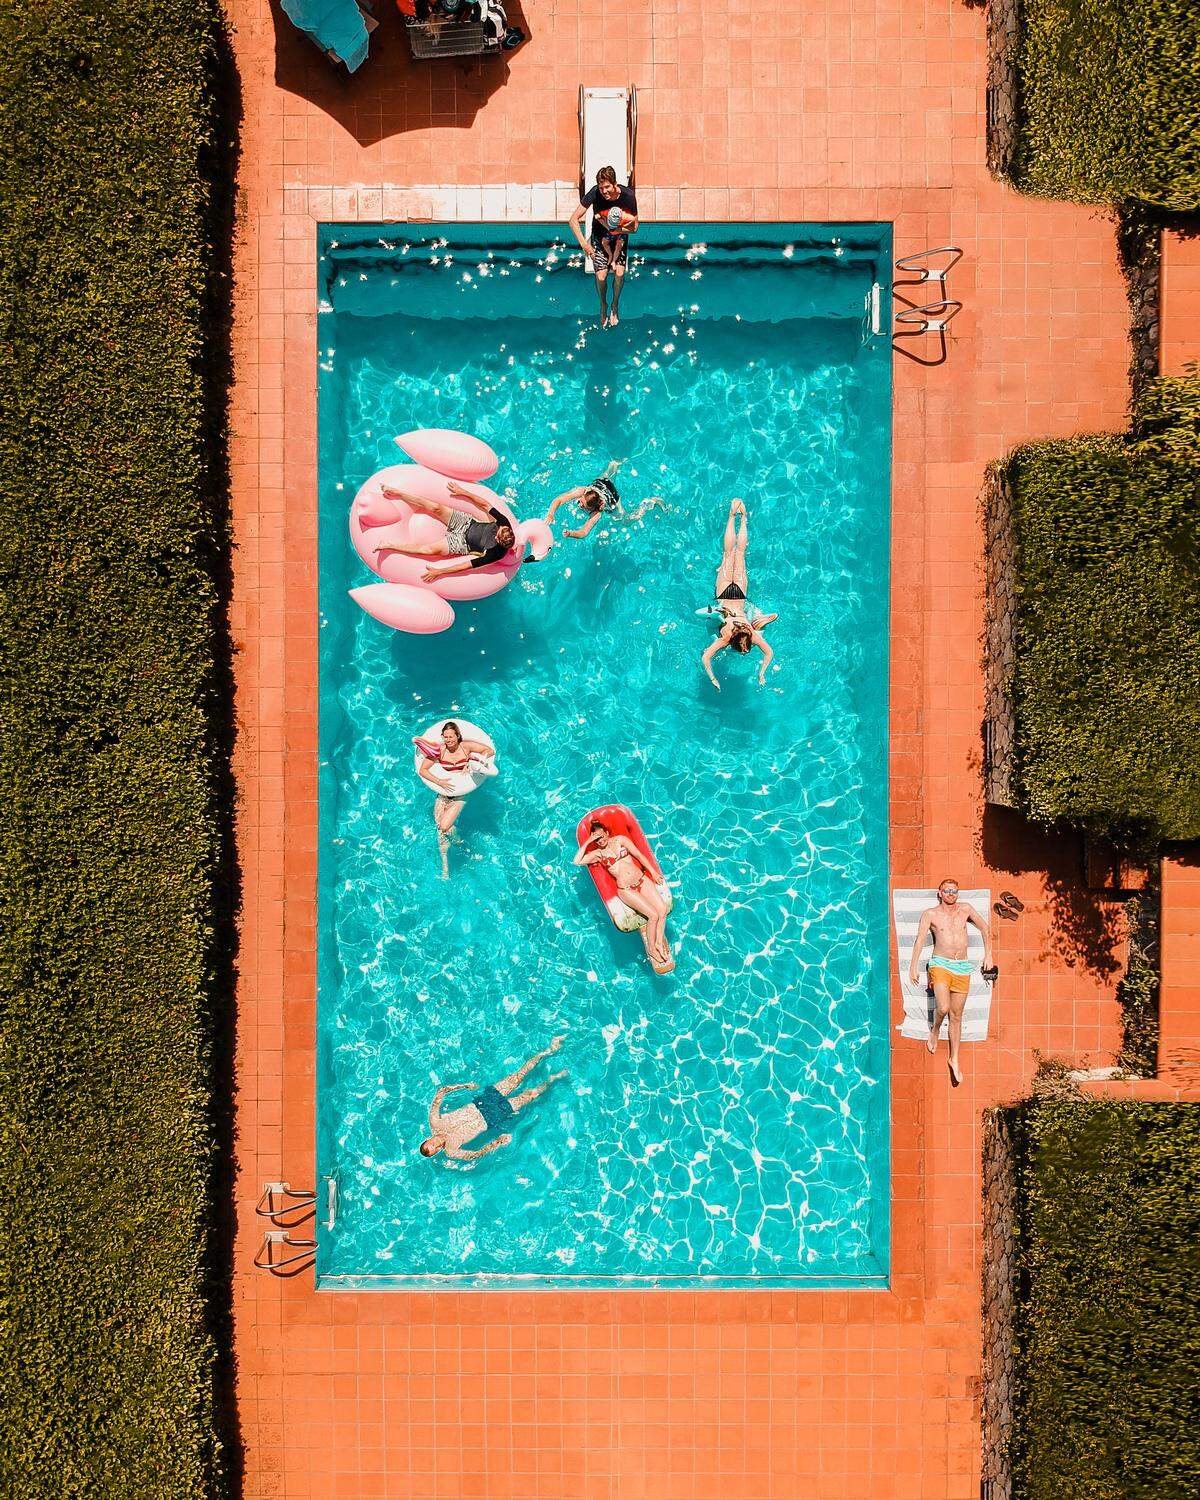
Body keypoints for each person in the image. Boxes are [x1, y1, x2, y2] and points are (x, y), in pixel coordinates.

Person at [420, 1036, 567, 1161]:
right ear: (437, 1152)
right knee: (530, 1096)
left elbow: (441, 1091)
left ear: (427, 1139)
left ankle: (549, 1050)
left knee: (518, 1077)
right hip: (492, 1117)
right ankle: (555, 1078)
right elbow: (476, 1154)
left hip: (483, 1103)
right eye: (436, 1150)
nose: (437, 1145)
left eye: (432, 1144)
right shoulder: (451, 1151)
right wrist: (497, 1142)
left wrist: (465, 1085)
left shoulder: (435, 1122)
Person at [907, 879, 994, 1085]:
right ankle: (935, 1030)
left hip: (962, 967)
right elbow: (920, 939)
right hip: (940, 965)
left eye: (954, 891)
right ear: (940, 893)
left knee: (957, 1015)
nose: (951, 894)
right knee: (944, 1007)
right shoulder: (930, 914)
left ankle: (954, 1058)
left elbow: (985, 928)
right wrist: (913, 966)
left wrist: (988, 955)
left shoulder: (965, 909)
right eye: (947, 891)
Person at [573, 817, 673, 972]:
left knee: (662, 911)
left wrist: (653, 872)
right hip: (626, 890)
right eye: (596, 839)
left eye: (601, 836)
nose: (600, 840)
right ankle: (652, 950)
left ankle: (659, 942)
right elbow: (577, 861)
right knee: (653, 915)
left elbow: (639, 856)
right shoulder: (598, 854)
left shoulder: (621, 840)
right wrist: (588, 841)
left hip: (642, 879)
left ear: (607, 833)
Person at [700, 498, 778, 690]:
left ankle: (740, 517)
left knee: (737, 553)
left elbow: (769, 653)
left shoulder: (748, 635)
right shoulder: (733, 638)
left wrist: (713, 679)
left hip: (738, 594)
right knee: (732, 554)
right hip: (727, 596)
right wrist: (761, 673)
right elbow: (706, 658)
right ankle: (736, 517)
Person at [373, 479, 516, 582]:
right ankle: (398, 492)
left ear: (499, 541)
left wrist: (440, 572)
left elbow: (467, 565)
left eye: (496, 535)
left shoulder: (496, 553)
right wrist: (464, 492)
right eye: (499, 530)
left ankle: (389, 544)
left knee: (429, 550)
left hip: (463, 543)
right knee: (436, 508)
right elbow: (485, 505)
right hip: (466, 523)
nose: (496, 531)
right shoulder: (504, 523)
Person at [413, 721, 495, 880]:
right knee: (440, 829)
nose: (448, 739)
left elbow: (489, 750)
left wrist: (472, 763)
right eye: (445, 737)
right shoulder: (439, 751)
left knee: (444, 826)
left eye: (451, 736)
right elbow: (423, 770)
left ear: (457, 736)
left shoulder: (466, 746)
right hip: (444, 792)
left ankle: (460, 848)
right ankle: (451, 859)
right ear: (442, 737)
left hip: (462, 794)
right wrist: (439, 782)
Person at [568, 165, 639, 329]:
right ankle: (603, 304)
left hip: (619, 236)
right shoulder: (595, 193)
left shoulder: (628, 196)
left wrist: (615, 229)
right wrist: (585, 245)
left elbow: (635, 227)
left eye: (607, 187)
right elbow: (573, 220)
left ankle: (614, 305)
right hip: (599, 238)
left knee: (619, 275)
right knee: (601, 277)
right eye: (601, 187)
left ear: (614, 184)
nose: (604, 191)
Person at [542, 460, 664, 541]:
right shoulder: (582, 491)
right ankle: (615, 463)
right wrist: (550, 514)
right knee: (608, 472)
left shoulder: (597, 513)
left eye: (583, 505)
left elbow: (584, 532)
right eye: (581, 501)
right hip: (602, 483)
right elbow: (558, 500)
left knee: (625, 521)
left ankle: (651, 503)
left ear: (593, 508)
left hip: (613, 498)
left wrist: (571, 533)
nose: (579, 504)